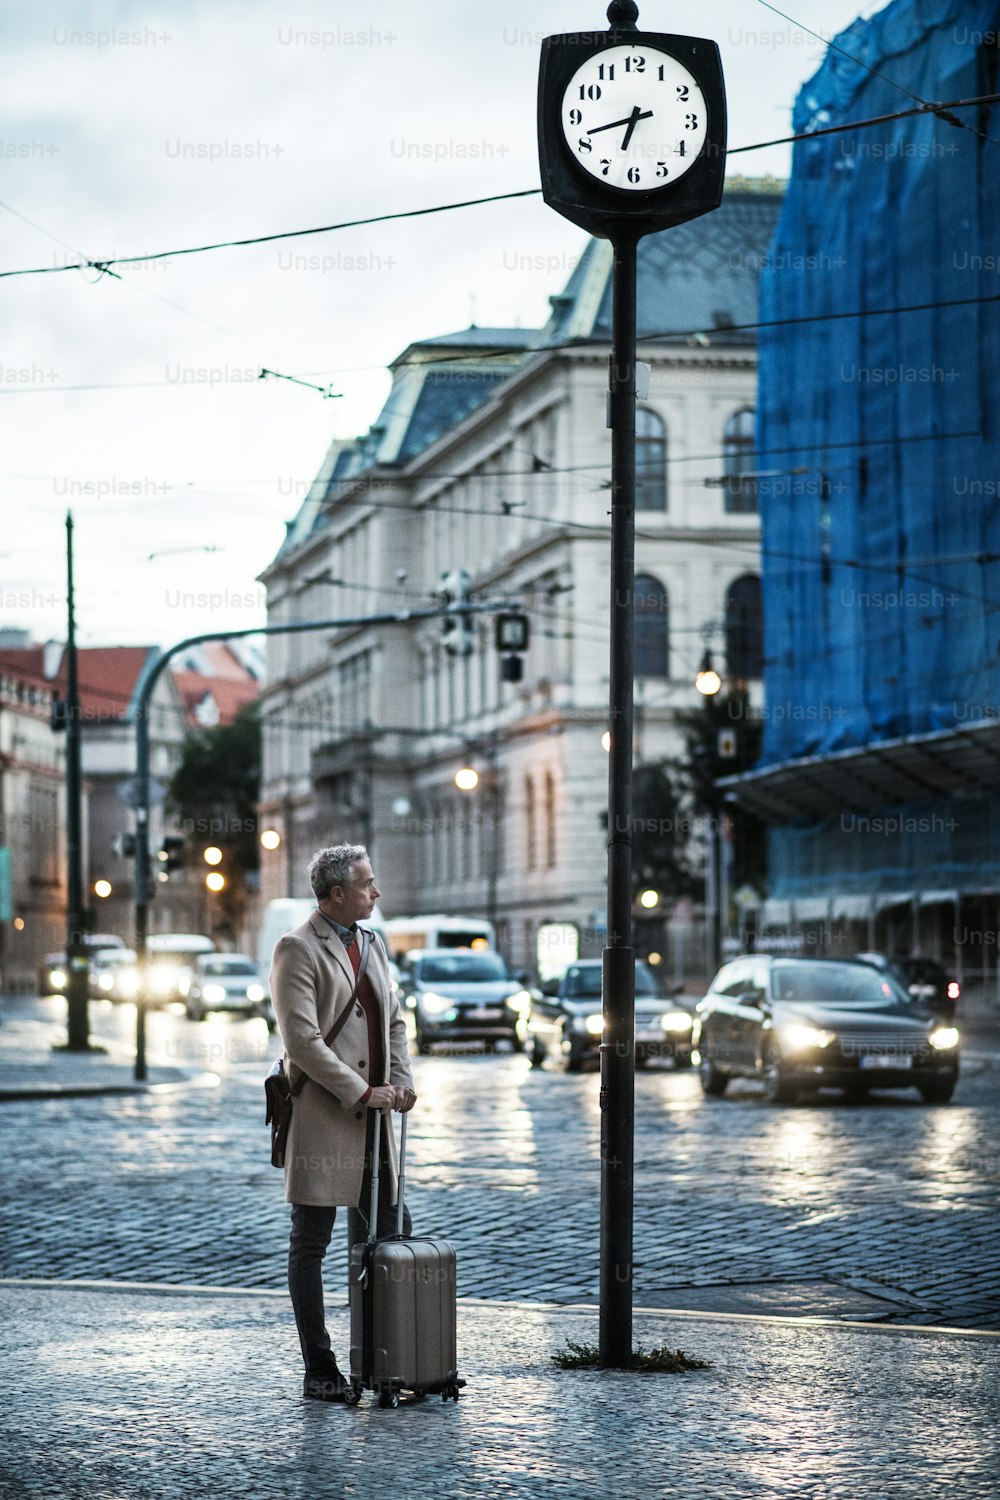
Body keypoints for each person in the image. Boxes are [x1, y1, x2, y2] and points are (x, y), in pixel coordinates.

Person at [270, 843, 416, 1402]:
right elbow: (301, 1042)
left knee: (392, 1235)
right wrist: (363, 1091)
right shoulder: (296, 948)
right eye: (367, 884)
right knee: (311, 1244)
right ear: (337, 894)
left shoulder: (374, 943)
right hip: (323, 1117)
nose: (376, 892)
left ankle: (392, 1361)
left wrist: (399, 1083)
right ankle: (321, 1368)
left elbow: (395, 1021)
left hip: (377, 1117)